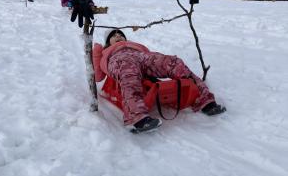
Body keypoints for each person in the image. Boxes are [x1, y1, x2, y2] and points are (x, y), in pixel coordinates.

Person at [95, 29, 226, 133]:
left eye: (120, 34)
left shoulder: (134, 45)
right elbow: (98, 77)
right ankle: (136, 117)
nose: (118, 36)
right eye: (113, 35)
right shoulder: (106, 52)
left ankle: (204, 100)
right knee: (129, 74)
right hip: (120, 61)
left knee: (173, 62)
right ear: (108, 42)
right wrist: (96, 52)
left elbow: (148, 53)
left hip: (143, 57)